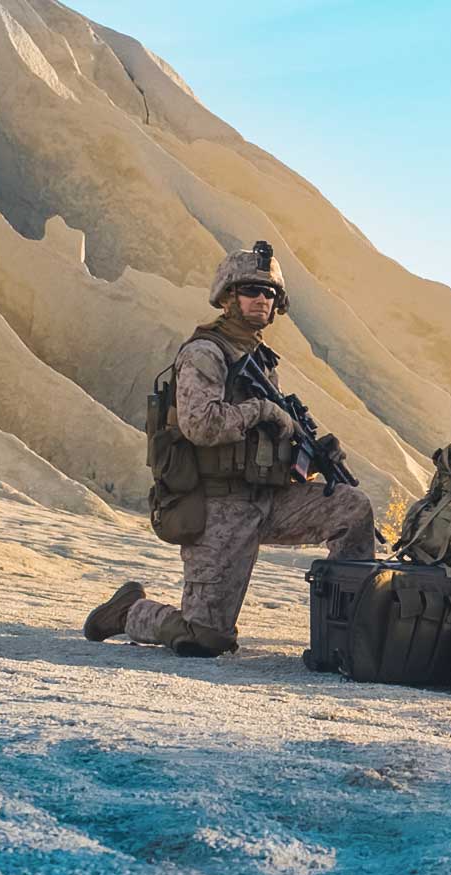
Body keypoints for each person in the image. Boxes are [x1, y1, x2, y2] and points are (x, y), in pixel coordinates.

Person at [83, 242, 375, 657]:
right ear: (227, 297)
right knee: (206, 638)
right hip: (220, 505)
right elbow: (200, 425)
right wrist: (261, 410)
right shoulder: (206, 353)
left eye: (269, 293)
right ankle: (130, 609)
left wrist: (308, 455)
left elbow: (263, 445)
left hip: (268, 499)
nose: (261, 299)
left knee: (353, 507)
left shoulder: (259, 360)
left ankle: (352, 629)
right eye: (250, 291)